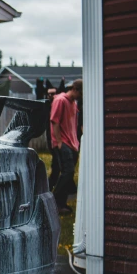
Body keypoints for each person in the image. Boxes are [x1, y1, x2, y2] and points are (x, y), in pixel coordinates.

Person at [51, 79, 82, 215]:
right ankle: (54, 203)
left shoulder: (73, 103)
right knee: (67, 172)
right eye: (80, 93)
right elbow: (54, 121)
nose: (81, 96)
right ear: (75, 89)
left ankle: (61, 205)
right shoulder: (60, 100)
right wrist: (58, 142)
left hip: (72, 144)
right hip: (63, 142)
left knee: (68, 175)